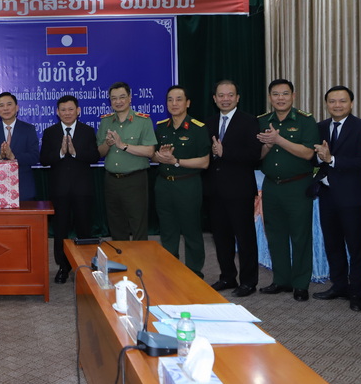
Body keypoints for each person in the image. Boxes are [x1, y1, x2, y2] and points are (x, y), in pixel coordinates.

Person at [311, 86, 361, 312]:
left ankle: (357, 293)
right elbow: (313, 159)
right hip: (327, 195)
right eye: (332, 101)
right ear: (326, 104)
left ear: (351, 103)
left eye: (342, 101)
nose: (337, 105)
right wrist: (320, 160)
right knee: (333, 243)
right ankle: (339, 285)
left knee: (356, 246)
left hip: (352, 196)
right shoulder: (320, 127)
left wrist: (332, 159)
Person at [256, 78, 319, 302]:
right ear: (270, 97)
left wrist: (278, 139)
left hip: (298, 186)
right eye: (275, 94)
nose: (280, 98)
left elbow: (308, 154)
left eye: (285, 94)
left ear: (293, 96)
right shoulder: (262, 120)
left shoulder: (305, 120)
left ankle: (301, 284)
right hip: (272, 186)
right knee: (275, 235)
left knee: (300, 236)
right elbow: (257, 157)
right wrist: (267, 145)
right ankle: (281, 280)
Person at [204, 80, 262, 297]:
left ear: (237, 98)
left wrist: (224, 152)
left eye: (230, 95)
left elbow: (254, 155)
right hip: (214, 191)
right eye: (221, 95)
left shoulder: (249, 122)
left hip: (240, 191)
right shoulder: (208, 122)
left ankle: (248, 282)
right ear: (214, 99)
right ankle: (227, 276)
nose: (225, 99)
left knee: (245, 238)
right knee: (221, 238)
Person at [40, 95, 100, 284]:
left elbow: (94, 156)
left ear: (78, 111)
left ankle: (85, 268)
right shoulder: (50, 132)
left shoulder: (87, 131)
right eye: (63, 110)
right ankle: (63, 267)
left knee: (84, 229)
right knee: (60, 231)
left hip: (83, 190)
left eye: (70, 109)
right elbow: (44, 159)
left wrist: (75, 153)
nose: (67, 113)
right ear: (57, 112)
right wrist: (60, 152)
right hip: (59, 190)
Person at [152, 86, 210, 277]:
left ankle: (194, 270)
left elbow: (204, 162)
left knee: (191, 229)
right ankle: (170, 267)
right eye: (170, 99)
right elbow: (154, 155)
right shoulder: (161, 127)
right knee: (168, 230)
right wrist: (160, 157)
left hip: (188, 184)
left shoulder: (198, 128)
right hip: (164, 184)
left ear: (188, 103)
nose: (174, 104)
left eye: (178, 99)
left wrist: (176, 161)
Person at [96, 82, 156, 241]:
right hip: (111, 181)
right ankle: (121, 263)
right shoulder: (106, 122)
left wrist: (123, 145)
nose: (118, 101)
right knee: (116, 226)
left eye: (122, 97)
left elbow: (150, 151)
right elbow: (99, 153)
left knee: (138, 226)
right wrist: (107, 145)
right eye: (114, 98)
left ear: (130, 98)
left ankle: (140, 264)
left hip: (135, 180)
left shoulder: (143, 121)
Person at [0, 92, 40, 201]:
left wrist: (13, 156)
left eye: (9, 104)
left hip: (23, 188)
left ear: (17, 107)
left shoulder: (28, 129)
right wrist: (0, 156)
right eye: (1, 105)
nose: (6, 108)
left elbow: (34, 156)